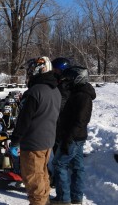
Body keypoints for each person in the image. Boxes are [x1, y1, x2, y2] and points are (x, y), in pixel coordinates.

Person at [9, 56, 61, 205]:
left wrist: (15, 141)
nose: (29, 74)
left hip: (33, 142)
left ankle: (39, 202)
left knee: (33, 178)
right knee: (42, 174)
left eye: (31, 70)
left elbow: (24, 120)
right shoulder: (55, 89)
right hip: (47, 140)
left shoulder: (34, 92)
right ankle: (45, 201)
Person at [51, 66, 96, 205]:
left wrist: (67, 140)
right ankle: (76, 198)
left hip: (73, 137)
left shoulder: (83, 96)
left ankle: (63, 199)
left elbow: (80, 121)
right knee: (77, 167)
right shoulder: (78, 92)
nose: (67, 81)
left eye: (70, 78)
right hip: (76, 136)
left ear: (77, 79)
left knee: (59, 164)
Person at [50, 57, 72, 186]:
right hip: (58, 121)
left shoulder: (64, 85)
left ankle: (59, 179)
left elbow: (60, 105)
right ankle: (58, 175)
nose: (54, 72)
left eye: (56, 70)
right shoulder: (59, 82)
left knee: (58, 149)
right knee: (56, 147)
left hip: (62, 121)